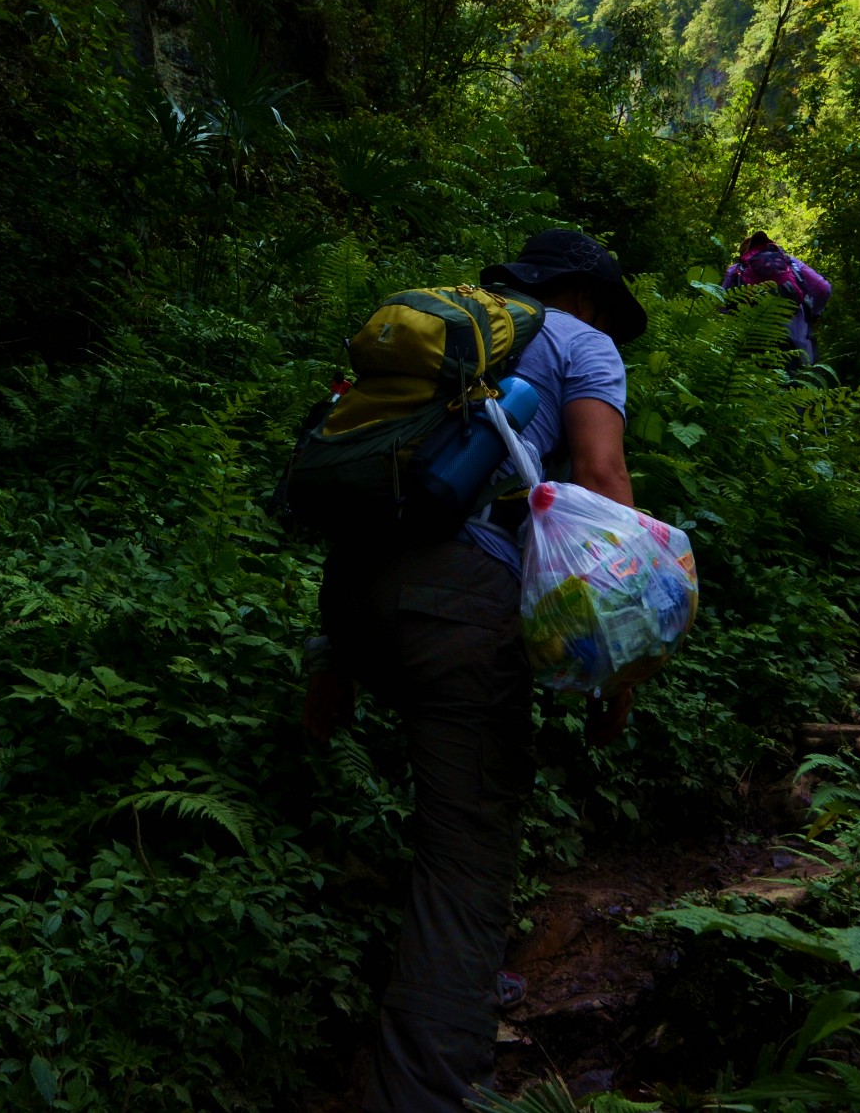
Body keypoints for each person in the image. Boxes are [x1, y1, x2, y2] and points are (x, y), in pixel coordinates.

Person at [304, 229, 645, 1112]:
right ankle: (424, 1092)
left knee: (435, 799)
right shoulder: (584, 342)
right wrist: (622, 664)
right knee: (464, 859)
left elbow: (372, 475)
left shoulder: (436, 323)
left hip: (355, 588)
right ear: (591, 297)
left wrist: (329, 657)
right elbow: (603, 486)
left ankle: (414, 997)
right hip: (460, 597)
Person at [721, 230, 832, 363]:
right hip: (796, 339)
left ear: (744, 252)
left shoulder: (736, 270)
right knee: (797, 380)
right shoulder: (791, 263)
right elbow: (823, 288)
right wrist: (814, 313)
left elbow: (721, 305)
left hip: (753, 343)